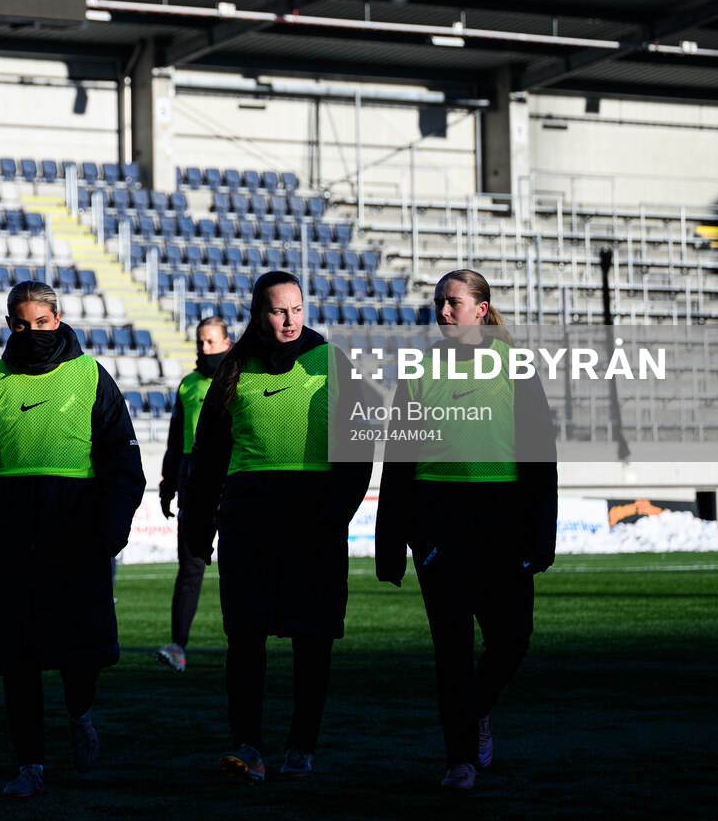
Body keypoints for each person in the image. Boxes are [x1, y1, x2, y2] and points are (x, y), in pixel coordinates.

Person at [0, 281, 146, 799]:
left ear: (59, 318)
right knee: (18, 656)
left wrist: (110, 530)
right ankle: (30, 764)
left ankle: (80, 715)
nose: (31, 333)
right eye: (20, 324)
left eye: (41, 323)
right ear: (10, 325)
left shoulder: (92, 376)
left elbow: (125, 465)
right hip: (10, 537)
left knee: (82, 650)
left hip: (78, 536)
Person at [181, 271, 371, 783]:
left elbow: (359, 448)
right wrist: (198, 528)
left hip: (316, 524)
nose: (289, 321)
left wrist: (335, 515)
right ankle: (247, 747)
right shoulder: (233, 368)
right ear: (257, 313)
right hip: (250, 524)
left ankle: (301, 747)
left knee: (314, 642)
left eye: (296, 309)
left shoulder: (332, 363)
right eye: (277, 310)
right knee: (245, 639)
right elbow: (207, 460)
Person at [375, 269, 559, 792]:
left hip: (503, 526)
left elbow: (540, 456)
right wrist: (391, 545)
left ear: (482, 310)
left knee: (513, 639)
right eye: (438, 303)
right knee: (451, 650)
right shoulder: (419, 369)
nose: (444, 312)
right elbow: (398, 461)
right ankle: (459, 759)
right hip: (439, 529)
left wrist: (539, 536)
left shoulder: (516, 366)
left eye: (453, 302)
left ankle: (474, 712)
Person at [156, 315, 234, 673]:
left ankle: (245, 642)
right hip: (192, 487)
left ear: (227, 344)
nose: (205, 349)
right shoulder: (187, 386)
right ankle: (178, 647)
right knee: (190, 569)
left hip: (232, 484)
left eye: (211, 342)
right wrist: (167, 485)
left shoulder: (240, 380)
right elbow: (175, 442)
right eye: (200, 342)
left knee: (239, 569)